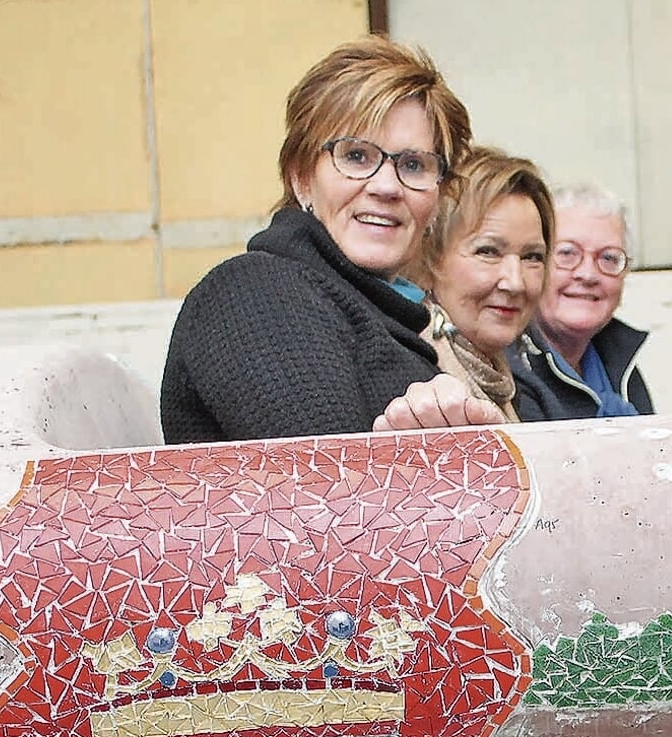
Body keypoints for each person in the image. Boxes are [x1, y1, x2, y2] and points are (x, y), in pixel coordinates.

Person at [159, 36, 504, 443]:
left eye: (413, 165)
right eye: (356, 156)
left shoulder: (386, 313)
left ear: (440, 194)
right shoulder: (259, 294)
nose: (386, 186)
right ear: (301, 177)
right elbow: (329, 487)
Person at [412, 147, 554, 422]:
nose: (515, 282)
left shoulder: (509, 381)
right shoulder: (410, 381)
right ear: (428, 260)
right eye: (488, 252)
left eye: (532, 257)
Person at [510, 184, 655, 420]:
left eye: (608, 257)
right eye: (567, 253)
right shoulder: (510, 368)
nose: (588, 274)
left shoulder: (620, 367)